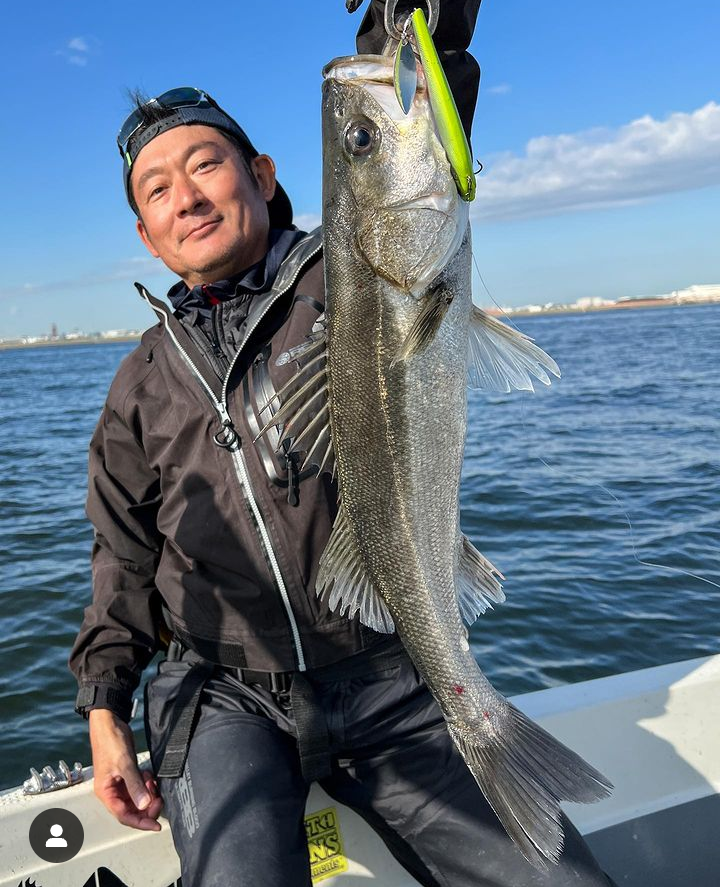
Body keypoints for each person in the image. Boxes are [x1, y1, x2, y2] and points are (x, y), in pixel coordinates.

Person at [69, 2, 619, 885]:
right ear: (145, 234)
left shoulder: (348, 273)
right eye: (156, 189)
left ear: (262, 173)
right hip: (222, 697)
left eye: (206, 162)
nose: (187, 195)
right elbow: (123, 557)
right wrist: (104, 710)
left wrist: (410, 28)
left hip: (390, 675)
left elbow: (404, 124)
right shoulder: (138, 382)